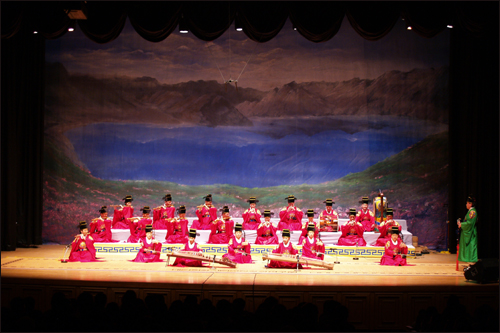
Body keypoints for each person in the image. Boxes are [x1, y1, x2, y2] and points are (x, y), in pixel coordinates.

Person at [457, 196, 478, 263]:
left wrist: (461, 225)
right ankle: (469, 263)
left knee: (471, 247)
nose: (466, 204)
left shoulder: (472, 212)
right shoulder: (470, 211)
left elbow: (470, 223)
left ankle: (471, 263)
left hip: (471, 232)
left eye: (467, 203)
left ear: (470, 204)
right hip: (469, 230)